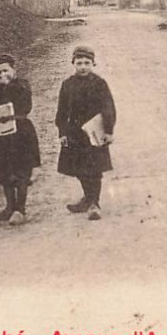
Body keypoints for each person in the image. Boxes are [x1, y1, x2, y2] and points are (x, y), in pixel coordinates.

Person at [0, 54, 40, 225]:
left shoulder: (21, 85)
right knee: (4, 169)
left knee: (22, 169)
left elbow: (25, 103)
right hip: (3, 134)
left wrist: (8, 85)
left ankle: (20, 209)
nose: (3, 74)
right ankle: (9, 207)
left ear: (14, 71)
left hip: (21, 133)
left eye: (6, 70)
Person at [55, 45, 116, 221]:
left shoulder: (99, 83)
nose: (83, 66)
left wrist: (109, 130)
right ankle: (87, 198)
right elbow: (62, 111)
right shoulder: (67, 85)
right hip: (75, 133)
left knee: (94, 168)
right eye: (79, 63)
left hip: (94, 131)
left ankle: (94, 202)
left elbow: (108, 108)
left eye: (87, 63)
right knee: (79, 168)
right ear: (73, 63)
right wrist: (62, 132)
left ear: (93, 64)